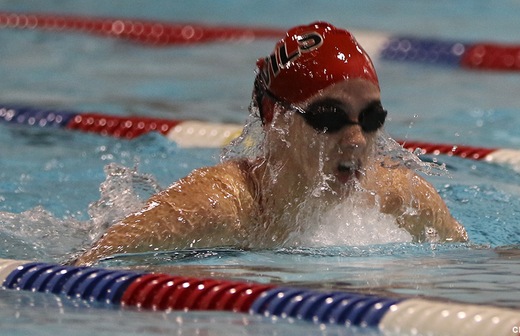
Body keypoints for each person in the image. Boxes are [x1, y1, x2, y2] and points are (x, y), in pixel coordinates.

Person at [74, 21, 467, 266]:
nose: (355, 140)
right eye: (328, 117)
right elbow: (84, 268)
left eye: (370, 118)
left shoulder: (398, 196)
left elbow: (473, 263)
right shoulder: (219, 206)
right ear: (275, 119)